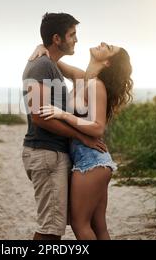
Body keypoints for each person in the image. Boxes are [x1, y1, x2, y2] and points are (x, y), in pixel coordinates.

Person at [29, 41, 133, 240]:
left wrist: (63, 114)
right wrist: (41, 47)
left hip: (91, 162)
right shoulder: (82, 78)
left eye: (108, 48)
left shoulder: (96, 85)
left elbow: (97, 127)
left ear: (108, 63)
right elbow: (52, 60)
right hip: (94, 162)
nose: (103, 43)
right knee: (98, 225)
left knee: (80, 224)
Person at [21, 13, 108, 240]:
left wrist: (44, 46)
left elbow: (78, 75)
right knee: (52, 229)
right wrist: (42, 46)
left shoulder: (80, 78)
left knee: (69, 225)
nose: (76, 40)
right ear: (58, 38)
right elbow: (39, 117)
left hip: (66, 155)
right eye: (72, 35)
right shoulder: (42, 66)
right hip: (47, 152)